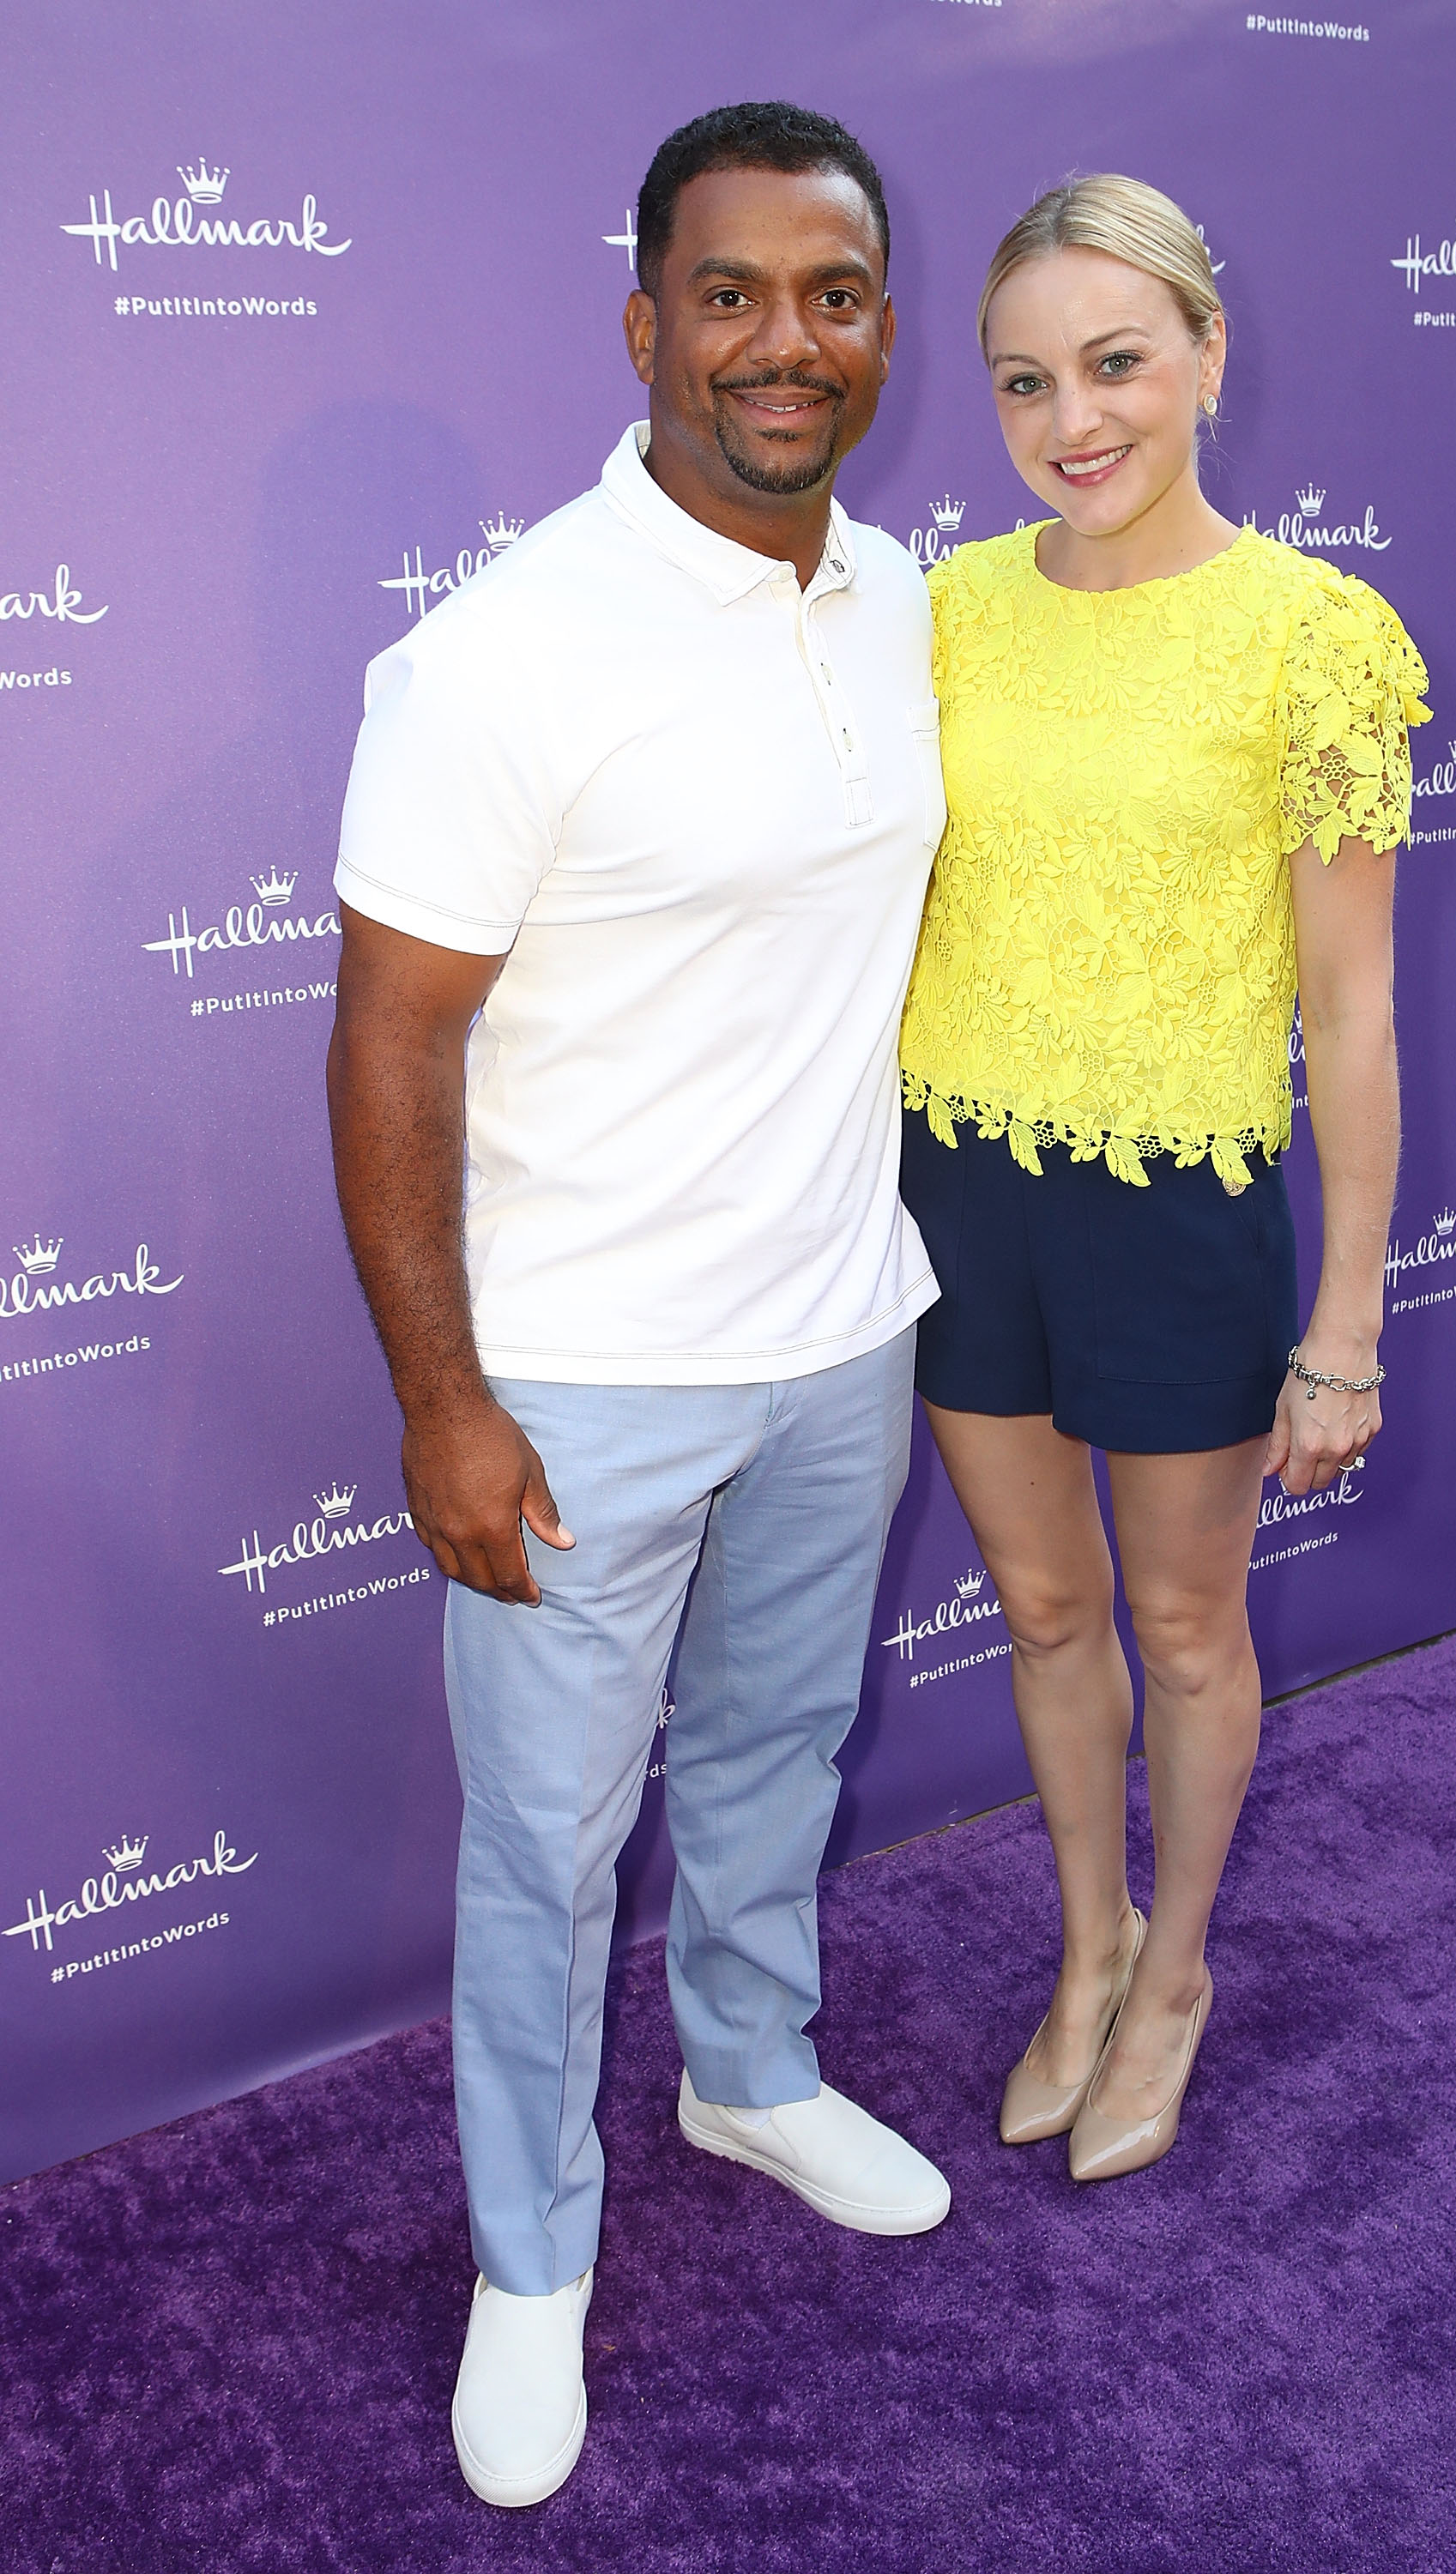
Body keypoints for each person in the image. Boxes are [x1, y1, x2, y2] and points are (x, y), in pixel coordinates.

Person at [327, 102, 951, 2511]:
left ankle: (750, 2071)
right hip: (579, 1379)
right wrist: (445, 1399)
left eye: (831, 293)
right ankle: (530, 2262)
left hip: (840, 1329)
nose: (782, 343)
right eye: (730, 295)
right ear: (645, 326)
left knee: (780, 1760)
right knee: (550, 1845)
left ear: (880, 324)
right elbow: (392, 1040)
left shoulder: (900, 599)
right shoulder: (501, 649)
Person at [897, 176, 1428, 2184]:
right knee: (1043, 1610)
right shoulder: (942, 606)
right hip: (957, 1189)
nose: (1073, 418)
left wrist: (1346, 1322)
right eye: (1027, 379)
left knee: (1184, 1629)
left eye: (1116, 362)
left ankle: (1179, 1971)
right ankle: (1084, 1941)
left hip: (1179, 1204)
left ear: (1209, 352)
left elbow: (1352, 1018)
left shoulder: (1316, 638)